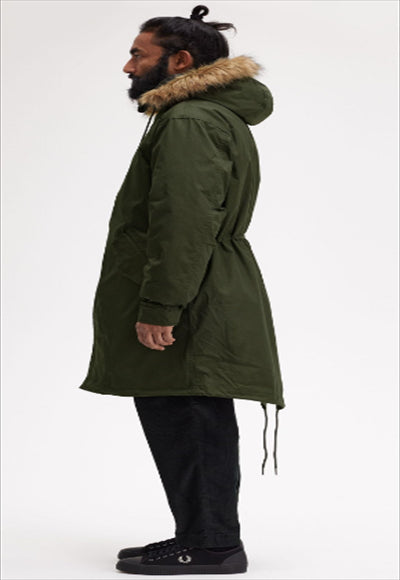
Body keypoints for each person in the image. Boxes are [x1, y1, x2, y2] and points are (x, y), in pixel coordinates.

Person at [78, 4, 286, 575]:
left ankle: (213, 546)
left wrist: (161, 305)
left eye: (138, 55)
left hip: (191, 291)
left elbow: (184, 221)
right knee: (185, 411)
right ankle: (201, 535)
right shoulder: (201, 116)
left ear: (181, 60)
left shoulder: (190, 121)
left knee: (189, 413)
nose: (128, 67)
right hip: (201, 282)